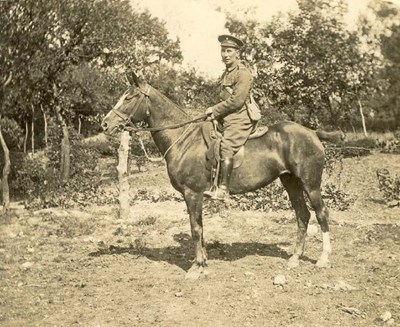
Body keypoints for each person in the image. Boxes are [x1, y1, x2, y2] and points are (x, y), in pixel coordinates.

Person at [203, 34, 256, 201]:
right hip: (228, 116)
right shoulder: (226, 73)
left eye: (229, 51)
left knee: (226, 145)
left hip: (240, 117)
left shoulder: (243, 73)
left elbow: (237, 101)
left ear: (237, 53)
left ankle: (224, 188)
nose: (225, 54)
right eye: (223, 51)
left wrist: (215, 110)